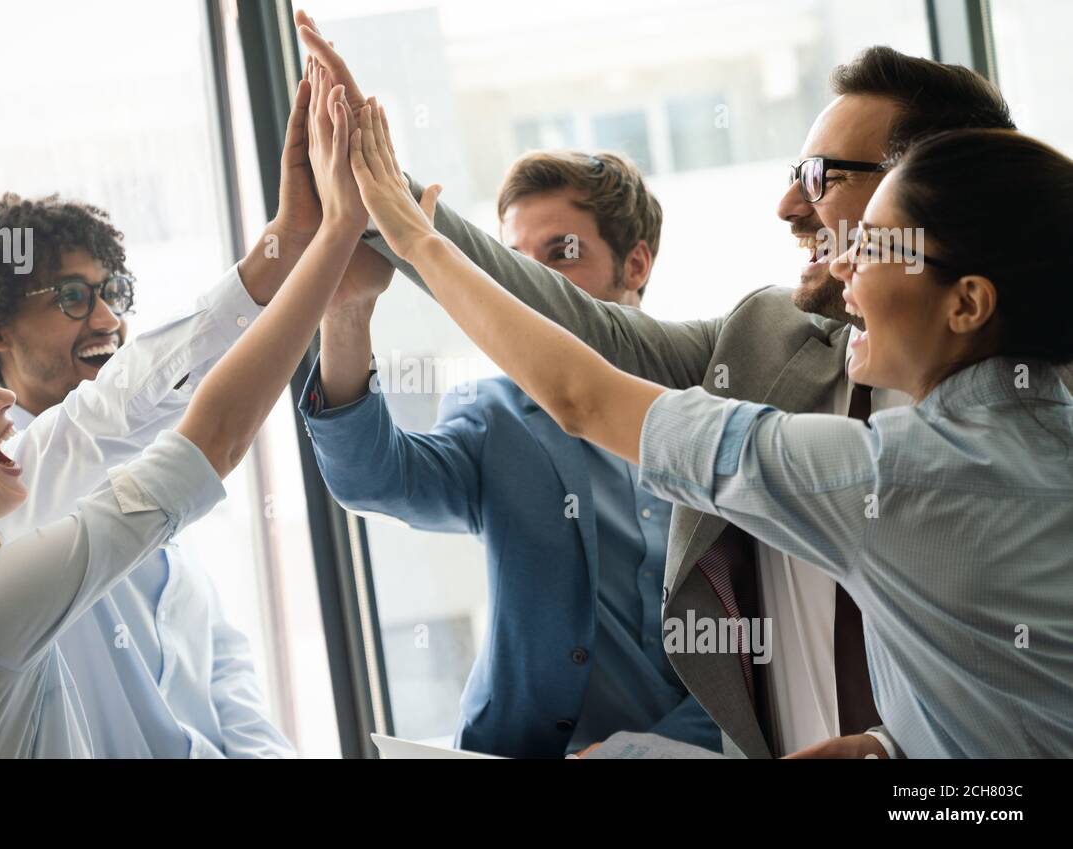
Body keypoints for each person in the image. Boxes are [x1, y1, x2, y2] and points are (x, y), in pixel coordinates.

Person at [297, 12, 1022, 757]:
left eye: (819, 176)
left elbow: (586, 394)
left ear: (928, 190)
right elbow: (565, 344)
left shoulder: (1007, 440)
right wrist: (372, 186)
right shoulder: (759, 342)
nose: (787, 206)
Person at [0, 66, 366, 758]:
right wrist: (329, 241)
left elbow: (115, 415)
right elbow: (196, 431)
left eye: (112, 290)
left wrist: (289, 242)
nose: (109, 318)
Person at [301, 150, 719, 756]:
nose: (527, 285)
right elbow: (373, 479)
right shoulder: (495, 416)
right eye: (513, 262)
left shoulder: (715, 417)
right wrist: (347, 310)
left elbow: (761, 655)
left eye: (560, 255)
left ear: (635, 264)